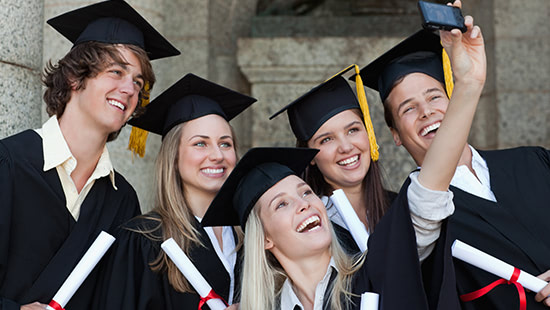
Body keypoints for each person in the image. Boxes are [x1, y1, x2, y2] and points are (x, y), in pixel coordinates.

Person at [204, 5, 485, 307]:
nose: (304, 204)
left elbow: (428, 193)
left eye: (306, 192)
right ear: (265, 241)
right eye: (326, 139)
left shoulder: (372, 272)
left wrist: (468, 85)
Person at [359, 1, 550, 309]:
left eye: (435, 96)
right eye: (407, 108)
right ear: (394, 134)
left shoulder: (535, 162)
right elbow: (426, 205)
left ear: (451, 101)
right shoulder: (413, 219)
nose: (426, 112)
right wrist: (469, 86)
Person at [0, 1, 179, 309]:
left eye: (138, 82)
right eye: (116, 72)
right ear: (74, 78)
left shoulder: (121, 199)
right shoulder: (9, 164)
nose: (130, 89)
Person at [95, 73, 256, 310]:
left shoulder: (252, 236)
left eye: (225, 143)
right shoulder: (145, 239)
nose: (217, 155)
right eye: (200, 143)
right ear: (174, 157)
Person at [269, 65, 394, 254]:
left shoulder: (400, 207)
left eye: (353, 130)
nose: (346, 147)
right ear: (310, 155)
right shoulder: (309, 224)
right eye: (326, 139)